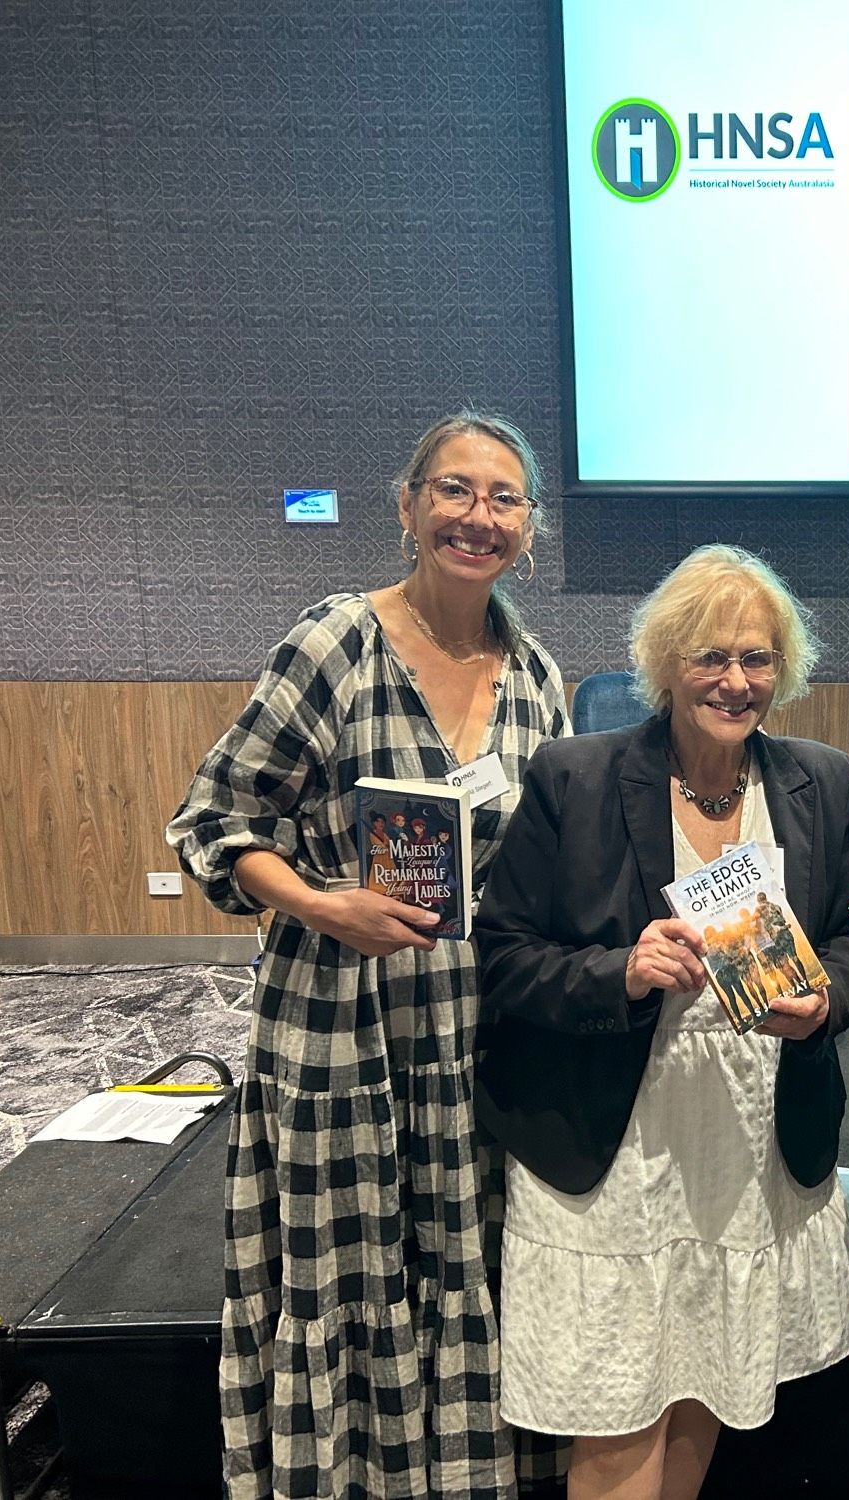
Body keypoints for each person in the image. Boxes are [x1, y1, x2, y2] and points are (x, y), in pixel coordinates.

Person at [166, 412, 570, 1500]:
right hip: (345, 1038)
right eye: (454, 491)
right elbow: (210, 823)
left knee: (465, 1274)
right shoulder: (334, 645)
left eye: (502, 499)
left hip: (479, 1046)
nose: (477, 517)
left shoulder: (536, 678)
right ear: (407, 508)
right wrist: (318, 902)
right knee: (350, 1286)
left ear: (529, 528)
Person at [473, 544, 849, 1500]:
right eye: (711, 657)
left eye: (758, 659)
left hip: (748, 1137)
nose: (736, 682)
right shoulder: (576, 776)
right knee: (616, 1406)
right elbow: (502, 953)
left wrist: (824, 1004)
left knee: (707, 1378)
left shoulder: (822, 781)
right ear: (665, 662)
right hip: (616, 1143)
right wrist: (621, 972)